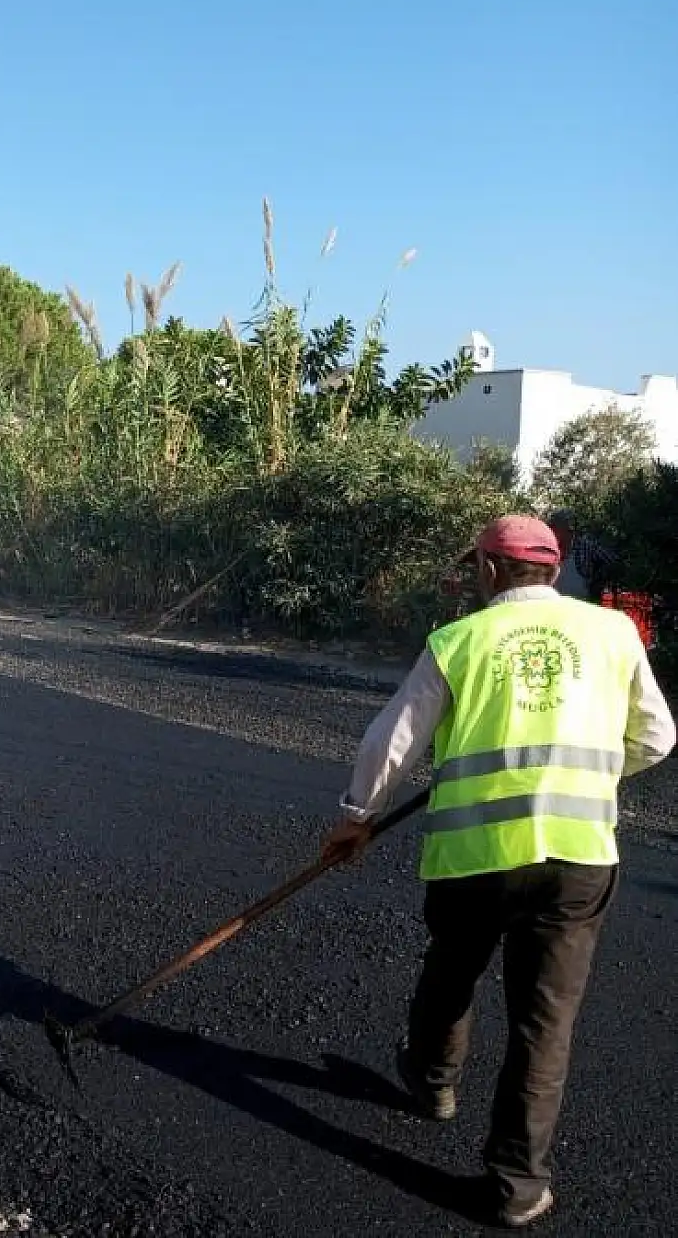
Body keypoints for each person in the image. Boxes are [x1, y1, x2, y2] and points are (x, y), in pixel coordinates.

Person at [323, 514, 674, 1229]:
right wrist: (600, 771)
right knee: (544, 1024)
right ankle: (517, 1186)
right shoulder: (613, 635)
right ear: (553, 569)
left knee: (453, 971)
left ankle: (432, 1082)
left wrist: (358, 815)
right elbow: (658, 737)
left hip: (475, 860)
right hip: (577, 861)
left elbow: (391, 741)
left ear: (487, 571)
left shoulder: (458, 641)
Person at [546, 509, 614, 601]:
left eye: (554, 527)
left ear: (566, 528)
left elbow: (612, 562)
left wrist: (598, 583)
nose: (551, 531)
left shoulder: (586, 546)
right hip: (556, 608)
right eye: (551, 528)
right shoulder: (550, 549)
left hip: (584, 606)